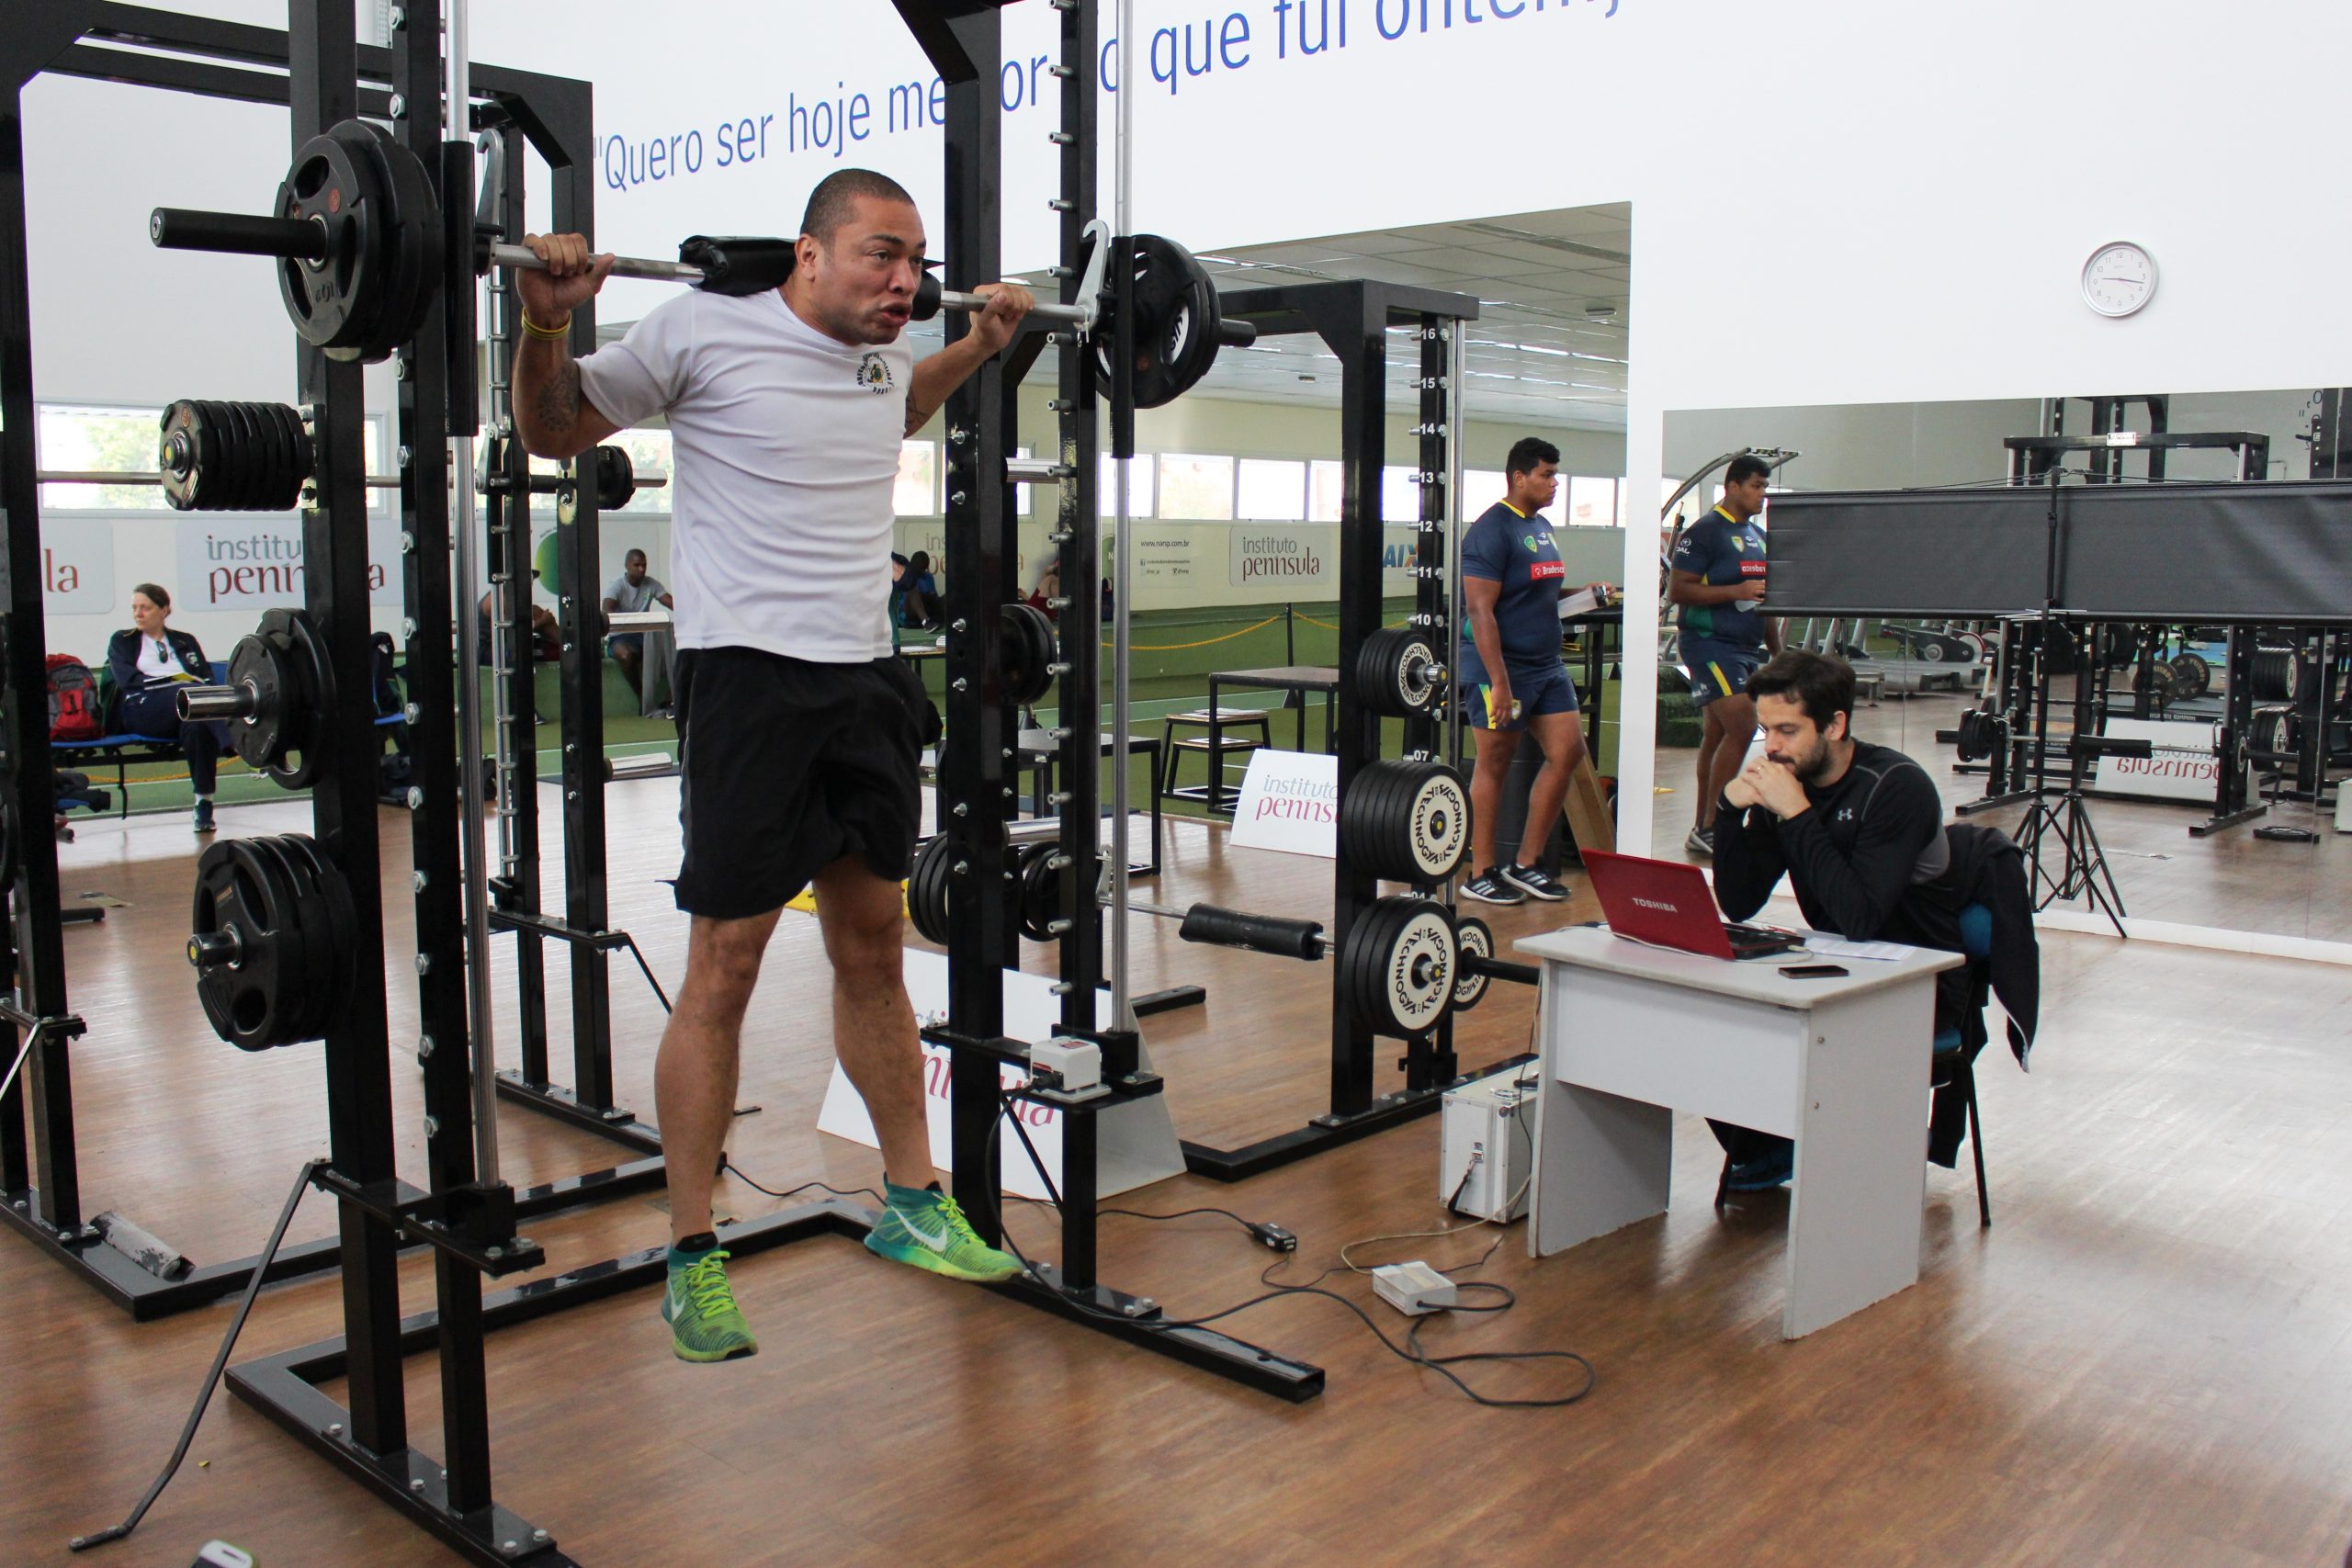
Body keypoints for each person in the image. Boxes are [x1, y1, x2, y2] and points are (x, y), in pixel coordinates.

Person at [510, 166, 1036, 1363]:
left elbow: (895, 404)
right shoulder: (700, 325)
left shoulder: (884, 347)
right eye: (881, 256)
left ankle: (912, 1203)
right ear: (810, 251)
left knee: (874, 950)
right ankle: (692, 1250)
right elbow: (551, 427)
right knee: (726, 966)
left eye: (917, 262)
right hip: (748, 681)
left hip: (865, 680)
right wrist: (545, 320)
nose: (904, 280)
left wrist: (980, 344)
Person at [1707, 650, 1956, 1190]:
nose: (1772, 746)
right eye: (1766, 729)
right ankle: (1772, 1148)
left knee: (1755, 1029)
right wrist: (1730, 811)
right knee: (1707, 1019)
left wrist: (1795, 813)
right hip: (1835, 971)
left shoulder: (1896, 787)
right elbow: (1740, 902)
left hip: (1915, 984)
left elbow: (1860, 917)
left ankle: (1785, 1146)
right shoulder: (1789, 779)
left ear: (1836, 724)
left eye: (1788, 730)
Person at [1455, 437, 1613, 906]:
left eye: (1555, 476)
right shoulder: (1490, 531)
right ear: (1518, 477)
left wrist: (1582, 595)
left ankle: (1526, 863)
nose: (1554, 484)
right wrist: (1499, 683)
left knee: (1567, 753)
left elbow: (1540, 590)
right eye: (1546, 475)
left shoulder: (1540, 526)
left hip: (1546, 666)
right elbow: (1480, 612)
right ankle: (1481, 870)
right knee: (1495, 764)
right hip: (1501, 668)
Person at [1668, 453, 1782, 858]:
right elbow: (1677, 591)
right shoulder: (1703, 533)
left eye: (1766, 488)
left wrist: (1779, 654)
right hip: (1708, 643)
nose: (1762, 495)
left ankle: (1702, 828)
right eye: (1756, 486)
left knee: (1716, 735)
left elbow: (1763, 598)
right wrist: (1736, 591)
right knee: (1742, 725)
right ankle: (1714, 825)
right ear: (1733, 487)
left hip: (1746, 647)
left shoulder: (1756, 536)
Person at [106, 583, 230, 834]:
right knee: (186, 695)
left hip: (186, 709)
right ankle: (232, 740)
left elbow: (206, 677)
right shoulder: (122, 640)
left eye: (145, 608)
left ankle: (204, 804)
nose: (138, 614)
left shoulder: (186, 641)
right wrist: (171, 683)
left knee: (197, 728)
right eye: (135, 608)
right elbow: (128, 681)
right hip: (142, 708)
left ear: (164, 610)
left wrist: (189, 684)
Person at [601, 548, 674, 694]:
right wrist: (627, 621)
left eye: (644, 565)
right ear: (627, 566)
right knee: (625, 655)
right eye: (637, 565)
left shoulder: (652, 584)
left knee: (674, 652)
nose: (641, 569)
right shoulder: (616, 586)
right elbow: (606, 612)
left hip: (644, 637)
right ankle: (641, 697)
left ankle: (670, 699)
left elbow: (671, 603)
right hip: (619, 638)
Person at [888, 548, 942, 632]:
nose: (922, 572)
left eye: (923, 570)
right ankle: (926, 622)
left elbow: (935, 598)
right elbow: (901, 603)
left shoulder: (928, 577)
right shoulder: (905, 578)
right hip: (909, 616)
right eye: (919, 570)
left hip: (928, 611)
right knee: (912, 591)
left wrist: (930, 596)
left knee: (948, 597)